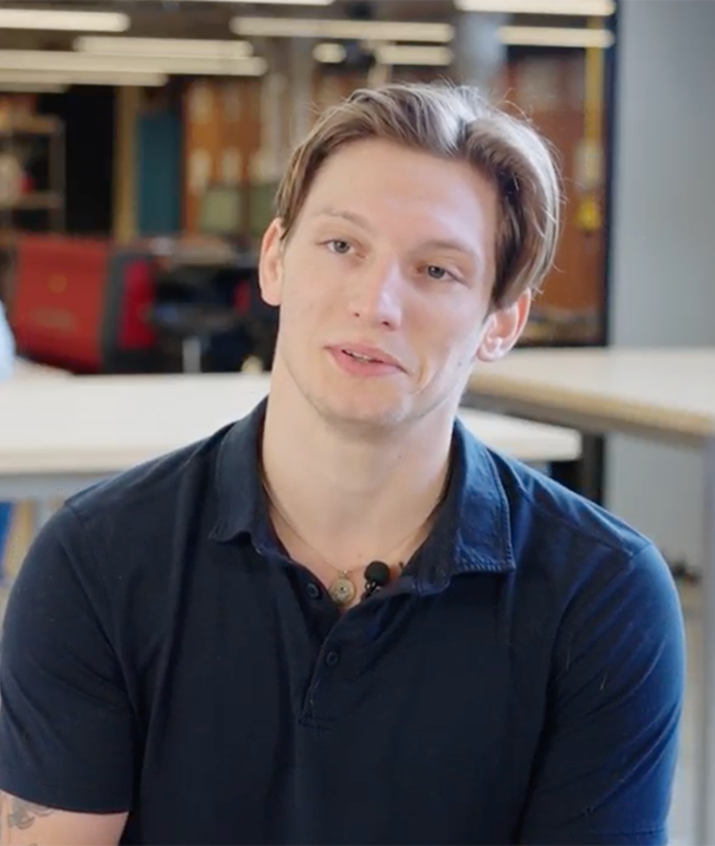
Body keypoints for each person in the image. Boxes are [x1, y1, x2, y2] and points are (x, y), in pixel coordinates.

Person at [0, 82, 684, 846]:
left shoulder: (601, 595)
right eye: (341, 246)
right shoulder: (97, 562)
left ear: (501, 322)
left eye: (436, 270)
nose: (375, 302)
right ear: (274, 261)